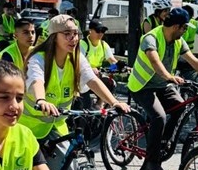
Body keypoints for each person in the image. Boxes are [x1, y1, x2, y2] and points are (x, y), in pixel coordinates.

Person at [21, 14, 129, 159]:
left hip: (57, 127)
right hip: (28, 129)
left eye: (75, 34)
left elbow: (92, 80)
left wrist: (114, 102)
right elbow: (36, 81)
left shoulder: (76, 58)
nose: (73, 38)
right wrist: (41, 101)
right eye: (67, 34)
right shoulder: (39, 58)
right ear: (53, 37)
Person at [128, 7, 198, 170]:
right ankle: (151, 161)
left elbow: (194, 61)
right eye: (185, 28)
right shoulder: (151, 38)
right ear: (176, 26)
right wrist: (168, 76)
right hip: (142, 86)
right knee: (158, 116)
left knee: (180, 106)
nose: (185, 31)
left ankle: (163, 141)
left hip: (162, 85)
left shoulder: (178, 41)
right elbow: (154, 60)